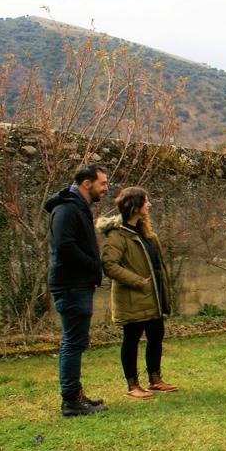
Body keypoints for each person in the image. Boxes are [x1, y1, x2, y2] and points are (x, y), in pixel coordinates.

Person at [98, 186, 178, 398]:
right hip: (132, 298)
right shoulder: (118, 235)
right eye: (145, 201)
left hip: (153, 298)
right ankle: (133, 385)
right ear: (134, 205)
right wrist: (138, 281)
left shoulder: (146, 234)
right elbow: (109, 265)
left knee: (156, 335)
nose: (149, 205)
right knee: (131, 339)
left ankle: (155, 379)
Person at [44, 164, 110, 417]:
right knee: (72, 342)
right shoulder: (67, 209)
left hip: (77, 284)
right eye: (102, 183)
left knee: (76, 341)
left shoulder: (76, 207)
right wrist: (93, 264)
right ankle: (70, 400)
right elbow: (64, 245)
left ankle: (75, 394)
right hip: (70, 285)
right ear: (86, 183)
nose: (105, 188)